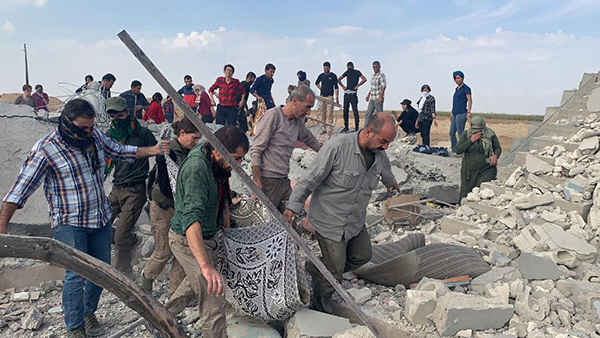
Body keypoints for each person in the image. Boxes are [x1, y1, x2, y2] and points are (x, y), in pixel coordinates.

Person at [0, 99, 168, 338]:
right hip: (70, 223)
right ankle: (75, 328)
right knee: (76, 274)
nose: (89, 132)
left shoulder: (94, 137)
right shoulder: (46, 149)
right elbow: (19, 190)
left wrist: (154, 150)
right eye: (84, 128)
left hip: (99, 218)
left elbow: (119, 151)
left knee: (101, 272)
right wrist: (3, 229)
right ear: (68, 124)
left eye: (91, 127)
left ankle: (88, 313)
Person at [283, 113, 400, 314]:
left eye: (389, 143)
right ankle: (321, 306)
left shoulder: (379, 154)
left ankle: (318, 269)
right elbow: (308, 181)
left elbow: (386, 172)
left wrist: (391, 185)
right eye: (384, 141)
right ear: (369, 131)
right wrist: (291, 209)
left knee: (362, 256)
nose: (386, 147)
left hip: (354, 220)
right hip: (329, 220)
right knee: (335, 272)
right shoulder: (337, 147)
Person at [165, 126, 249, 338]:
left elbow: (222, 180)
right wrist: (206, 265)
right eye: (237, 158)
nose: (239, 165)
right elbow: (191, 220)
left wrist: (225, 213)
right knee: (213, 295)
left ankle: (159, 315)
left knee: (195, 284)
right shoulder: (196, 169)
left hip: (208, 235)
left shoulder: (213, 155)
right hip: (187, 239)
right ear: (219, 151)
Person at [141, 117, 202, 296]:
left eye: (199, 138)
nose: (196, 142)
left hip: (181, 210)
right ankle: (147, 279)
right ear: (182, 133)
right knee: (163, 251)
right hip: (164, 208)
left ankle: (175, 293)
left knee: (181, 252)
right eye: (194, 137)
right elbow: (166, 184)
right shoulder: (169, 152)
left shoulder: (189, 151)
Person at [104, 97, 158, 276]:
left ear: (127, 113)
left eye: (120, 115)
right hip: (116, 188)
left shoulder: (142, 134)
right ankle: (131, 239)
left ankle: (123, 274)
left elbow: (158, 155)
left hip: (135, 190)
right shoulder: (109, 135)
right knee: (99, 226)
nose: (116, 120)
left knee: (119, 237)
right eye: (112, 116)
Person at [251, 85, 321, 213]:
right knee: (268, 222)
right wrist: (257, 181)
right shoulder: (273, 116)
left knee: (290, 217)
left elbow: (309, 138)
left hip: (284, 181)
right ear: (295, 101)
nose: (309, 112)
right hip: (268, 181)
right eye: (307, 107)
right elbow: (256, 149)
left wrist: (326, 153)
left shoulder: (297, 122)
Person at [456, 115, 501, 201]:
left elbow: (498, 148)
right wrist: (471, 140)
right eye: (475, 128)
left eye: (479, 129)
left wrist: (495, 156)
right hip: (469, 168)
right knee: (467, 193)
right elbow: (458, 150)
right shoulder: (466, 134)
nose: (477, 131)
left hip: (487, 166)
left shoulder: (490, 134)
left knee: (484, 191)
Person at [338, 62, 367, 132]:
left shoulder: (355, 72)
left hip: (351, 93)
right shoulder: (350, 72)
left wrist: (357, 86)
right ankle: (349, 127)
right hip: (349, 93)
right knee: (349, 111)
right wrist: (344, 87)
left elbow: (364, 79)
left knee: (352, 111)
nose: (349, 68)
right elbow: (338, 79)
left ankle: (354, 127)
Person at [450, 70, 472, 152]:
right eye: (455, 78)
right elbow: (455, 102)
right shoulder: (456, 89)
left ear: (462, 78)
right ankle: (454, 149)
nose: (456, 80)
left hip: (462, 113)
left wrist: (469, 112)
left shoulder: (466, 88)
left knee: (460, 133)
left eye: (458, 78)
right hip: (455, 113)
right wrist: (451, 113)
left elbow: (470, 100)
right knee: (451, 133)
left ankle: (462, 150)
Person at [315, 61, 339, 133]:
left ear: (330, 68)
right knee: (322, 113)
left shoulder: (333, 76)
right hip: (322, 97)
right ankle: (323, 128)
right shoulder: (321, 75)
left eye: (327, 68)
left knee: (329, 113)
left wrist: (337, 98)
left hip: (330, 97)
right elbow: (316, 83)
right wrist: (321, 88)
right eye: (324, 68)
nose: (325, 70)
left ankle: (330, 129)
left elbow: (336, 87)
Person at [365, 61, 387, 126]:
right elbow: (372, 87)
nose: (374, 68)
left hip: (378, 97)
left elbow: (383, 86)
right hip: (372, 97)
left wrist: (381, 96)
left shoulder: (381, 75)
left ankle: (381, 129)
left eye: (376, 67)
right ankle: (365, 129)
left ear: (379, 67)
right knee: (368, 114)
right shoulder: (373, 76)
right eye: (373, 67)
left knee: (379, 115)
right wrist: (368, 95)